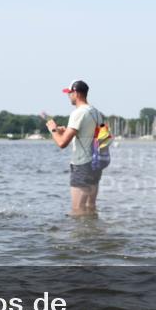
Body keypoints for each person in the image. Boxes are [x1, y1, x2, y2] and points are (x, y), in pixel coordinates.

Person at [46, 80, 106, 217]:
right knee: (90, 206)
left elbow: (62, 143)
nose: (68, 96)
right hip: (96, 164)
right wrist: (66, 130)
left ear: (76, 93)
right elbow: (91, 134)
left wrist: (53, 130)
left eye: (70, 93)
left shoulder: (78, 113)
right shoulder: (96, 112)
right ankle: (93, 230)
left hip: (82, 165)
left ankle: (79, 231)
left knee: (77, 209)